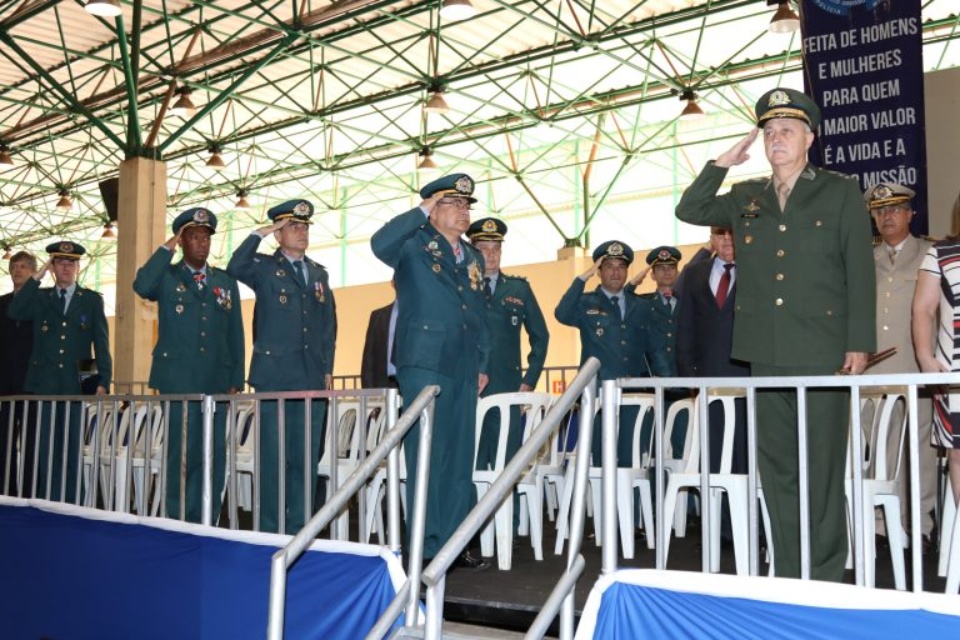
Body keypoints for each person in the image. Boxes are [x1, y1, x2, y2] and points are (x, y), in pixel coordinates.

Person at [675, 87, 876, 581]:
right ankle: (790, 568)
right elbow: (691, 209)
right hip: (764, 352)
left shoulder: (839, 190)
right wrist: (722, 162)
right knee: (779, 470)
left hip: (822, 349)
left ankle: (825, 572)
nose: (776, 139)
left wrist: (859, 341)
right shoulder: (746, 196)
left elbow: (859, 270)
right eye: (768, 131)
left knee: (822, 468)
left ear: (810, 137)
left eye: (787, 130)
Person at [370, 172, 491, 570]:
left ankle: (454, 542)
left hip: (463, 363)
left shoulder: (472, 256)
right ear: (433, 208)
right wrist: (420, 209)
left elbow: (479, 312)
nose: (463, 211)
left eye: (466, 205)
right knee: (427, 453)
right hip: (424, 360)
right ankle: (423, 544)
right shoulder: (413, 245)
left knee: (458, 456)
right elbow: (379, 243)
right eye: (453, 203)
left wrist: (483, 362)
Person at [227, 199, 337, 535]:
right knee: (273, 458)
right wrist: (257, 234)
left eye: (305, 227)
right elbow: (235, 266)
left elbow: (328, 325)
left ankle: (301, 528)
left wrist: (327, 368)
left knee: (304, 459)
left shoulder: (319, 272)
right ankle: (271, 530)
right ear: (278, 234)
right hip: (274, 376)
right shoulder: (262, 268)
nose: (302, 232)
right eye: (293, 226)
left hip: (310, 375)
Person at [133, 208, 244, 523]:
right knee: (182, 455)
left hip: (218, 381)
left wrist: (236, 376)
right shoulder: (167, 277)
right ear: (182, 241)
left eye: (206, 237)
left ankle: (209, 517)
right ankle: (180, 517)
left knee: (214, 456)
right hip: (179, 380)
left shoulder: (224, 282)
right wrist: (165, 248)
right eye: (194, 237)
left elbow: (235, 332)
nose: (202, 243)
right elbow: (142, 285)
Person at [8, 241, 113, 503]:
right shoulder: (41, 297)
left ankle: (71, 501)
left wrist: (103, 380)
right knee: (45, 447)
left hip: (76, 382)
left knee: (71, 447)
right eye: (60, 263)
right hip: (45, 383)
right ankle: (47, 501)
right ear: (53, 267)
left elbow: (100, 343)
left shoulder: (90, 300)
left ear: (77, 267)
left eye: (71, 263)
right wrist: (36, 277)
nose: (66, 268)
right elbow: (15, 310)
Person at [863, 182, 937, 547]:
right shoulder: (863, 257)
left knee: (919, 450)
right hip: (872, 371)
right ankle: (880, 524)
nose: (886, 216)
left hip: (916, 366)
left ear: (910, 213)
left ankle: (918, 525)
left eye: (894, 209)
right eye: (879, 211)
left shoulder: (931, 253)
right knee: (878, 452)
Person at [555, 240, 669, 467]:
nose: (616, 272)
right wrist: (581, 279)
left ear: (627, 270)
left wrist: (669, 385)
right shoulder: (586, 303)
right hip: (597, 395)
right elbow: (562, 314)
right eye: (609, 266)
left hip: (634, 393)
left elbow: (655, 348)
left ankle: (631, 503)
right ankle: (600, 504)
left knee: (632, 459)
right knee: (600, 458)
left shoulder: (642, 306)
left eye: (621, 266)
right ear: (599, 271)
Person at [468, 217, 550, 528]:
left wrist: (530, 380)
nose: (491, 254)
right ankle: (472, 526)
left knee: (507, 461)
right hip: (469, 388)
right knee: (472, 459)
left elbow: (541, 337)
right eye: (483, 248)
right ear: (472, 251)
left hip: (508, 387)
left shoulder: (519, 288)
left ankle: (508, 524)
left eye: (496, 248)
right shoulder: (461, 285)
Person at [676, 226, 750, 543]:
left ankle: (752, 527)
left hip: (750, 379)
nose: (727, 240)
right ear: (712, 239)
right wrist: (690, 378)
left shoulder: (759, 267)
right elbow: (684, 328)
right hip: (709, 382)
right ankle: (718, 530)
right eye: (720, 234)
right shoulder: (694, 274)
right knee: (715, 457)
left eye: (732, 233)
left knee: (747, 457)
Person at [913, 193, 960, 511]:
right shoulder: (941, 252)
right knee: (958, 452)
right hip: (955, 376)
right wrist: (926, 358)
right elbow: (922, 310)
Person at [0, 251, 37, 496]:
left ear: (33, 272)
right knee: (3, 442)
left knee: (32, 441)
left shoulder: (42, 302)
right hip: (4, 383)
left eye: (23, 266)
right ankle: (5, 490)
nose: (17, 270)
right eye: (14, 266)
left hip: (33, 384)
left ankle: (29, 492)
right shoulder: (0, 303)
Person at [638, 246, 682, 376]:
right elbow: (622, 297)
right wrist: (634, 282)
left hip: (685, 376)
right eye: (661, 268)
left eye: (671, 267)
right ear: (652, 275)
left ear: (678, 273)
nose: (667, 271)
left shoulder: (689, 303)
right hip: (653, 376)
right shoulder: (643, 303)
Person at [361, 294, 399, 390]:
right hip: (382, 385)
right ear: (393, 283)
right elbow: (368, 357)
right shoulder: (378, 316)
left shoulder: (420, 315)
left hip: (412, 384)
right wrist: (368, 392)